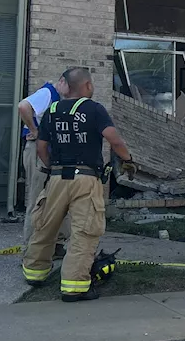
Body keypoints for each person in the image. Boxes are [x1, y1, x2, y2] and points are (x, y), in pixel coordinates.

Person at [21, 67, 137, 301]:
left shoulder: (52, 110)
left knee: (46, 225)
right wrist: (128, 161)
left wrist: (53, 166)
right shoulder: (94, 110)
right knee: (84, 231)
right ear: (87, 86)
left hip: (55, 179)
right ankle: (74, 286)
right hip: (86, 179)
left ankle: (35, 272)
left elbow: (42, 147)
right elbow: (114, 139)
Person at [18, 71, 71, 246]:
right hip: (36, 151)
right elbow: (23, 106)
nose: (69, 94)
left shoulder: (60, 97)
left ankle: (57, 244)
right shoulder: (48, 93)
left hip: (50, 152)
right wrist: (34, 130)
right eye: (68, 89)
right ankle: (30, 248)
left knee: (57, 198)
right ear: (61, 81)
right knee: (37, 199)